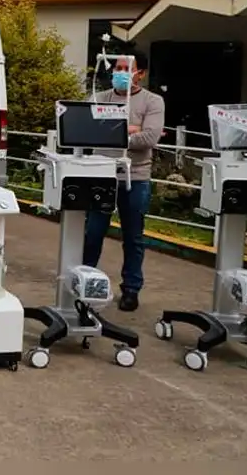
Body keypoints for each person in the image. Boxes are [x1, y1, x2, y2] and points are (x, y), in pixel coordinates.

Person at [83, 53, 164, 312]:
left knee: (133, 236)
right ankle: (85, 282)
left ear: (140, 73)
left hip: (136, 176)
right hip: (102, 174)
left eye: (126, 68)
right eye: (116, 67)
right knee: (93, 232)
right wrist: (130, 128)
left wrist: (111, 130)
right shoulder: (99, 98)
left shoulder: (153, 101)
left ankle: (131, 289)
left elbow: (149, 138)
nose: (119, 72)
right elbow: (86, 130)